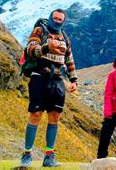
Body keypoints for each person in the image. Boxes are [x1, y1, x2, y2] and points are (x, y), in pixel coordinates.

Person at [19, 9, 78, 167]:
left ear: (63, 20)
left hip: (57, 79)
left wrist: (73, 79)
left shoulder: (65, 36)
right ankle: (26, 154)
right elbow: (31, 50)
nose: (57, 21)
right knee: (36, 114)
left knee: (54, 116)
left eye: (60, 19)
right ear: (50, 17)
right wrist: (47, 47)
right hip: (40, 75)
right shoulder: (39, 30)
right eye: (55, 18)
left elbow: (69, 58)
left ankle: (49, 156)